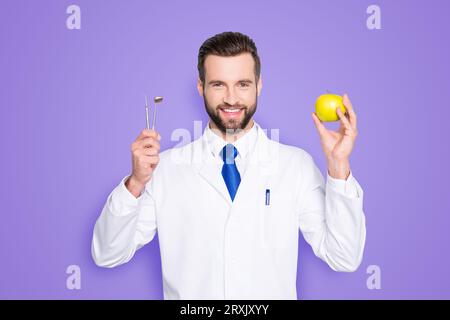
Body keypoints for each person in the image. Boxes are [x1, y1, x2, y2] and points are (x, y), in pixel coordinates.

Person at [91, 31, 366, 300]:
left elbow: (343, 256)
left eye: (243, 84)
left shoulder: (296, 166)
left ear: (259, 85)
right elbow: (107, 254)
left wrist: (339, 165)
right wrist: (135, 183)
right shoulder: (164, 170)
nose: (232, 98)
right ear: (201, 87)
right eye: (218, 84)